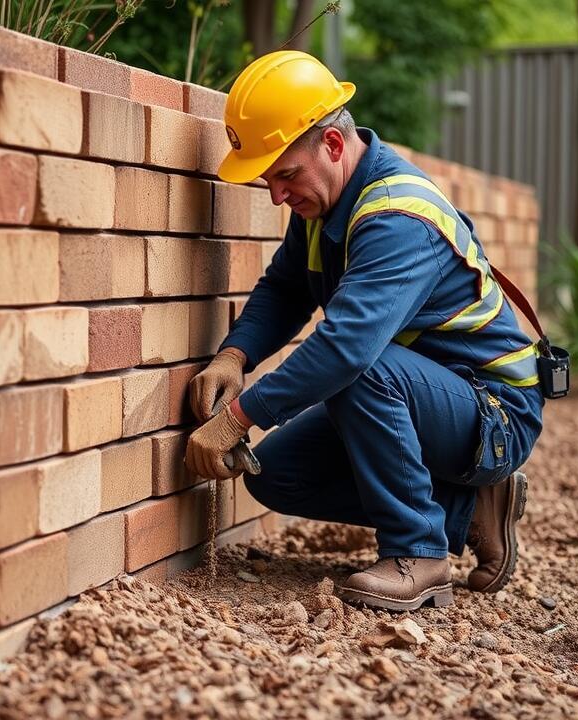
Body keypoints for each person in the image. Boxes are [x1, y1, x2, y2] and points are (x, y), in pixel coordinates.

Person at [185, 50, 545, 611]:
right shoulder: (325, 207)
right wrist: (234, 355)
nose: (278, 195)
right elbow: (285, 290)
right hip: (422, 397)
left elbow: (348, 348)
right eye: (268, 180)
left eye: (285, 175)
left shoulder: (398, 217)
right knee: (277, 476)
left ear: (331, 144)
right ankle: (470, 510)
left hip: (493, 412)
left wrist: (238, 418)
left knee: (359, 364)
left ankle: (419, 553)